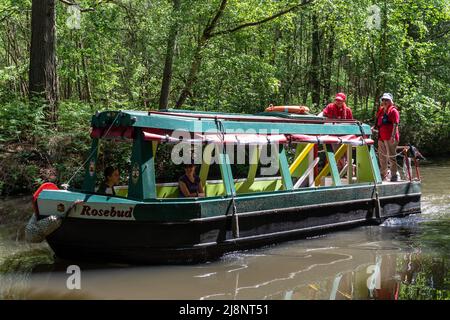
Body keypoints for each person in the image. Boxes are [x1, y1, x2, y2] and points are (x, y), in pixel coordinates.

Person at [375, 93, 400, 182]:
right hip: (381, 137)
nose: (385, 102)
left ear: (391, 101)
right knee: (382, 157)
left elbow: (395, 124)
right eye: (383, 100)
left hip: (390, 137)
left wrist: (393, 136)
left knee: (391, 157)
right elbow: (379, 123)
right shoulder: (381, 110)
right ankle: (383, 175)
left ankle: (394, 175)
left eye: (387, 100)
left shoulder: (393, 111)